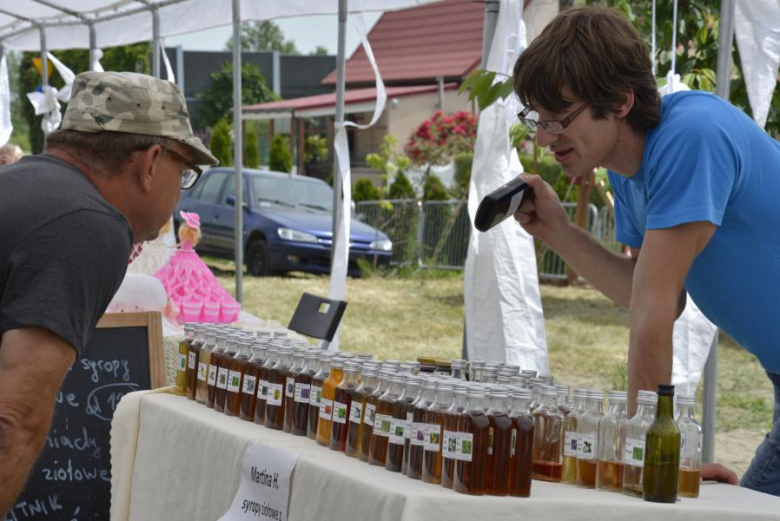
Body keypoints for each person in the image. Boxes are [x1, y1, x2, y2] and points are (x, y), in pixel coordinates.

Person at [511, 6, 780, 494]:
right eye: (538, 120)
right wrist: (557, 231)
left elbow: (654, 312)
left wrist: (647, 460)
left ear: (619, 101)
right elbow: (647, 294)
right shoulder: (627, 166)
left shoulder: (691, 136)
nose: (545, 138)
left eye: (559, 119)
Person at [0, 71, 218, 517]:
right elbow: (13, 419)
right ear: (152, 161)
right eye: (186, 171)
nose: (180, 189)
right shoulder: (88, 224)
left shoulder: (20, 185)